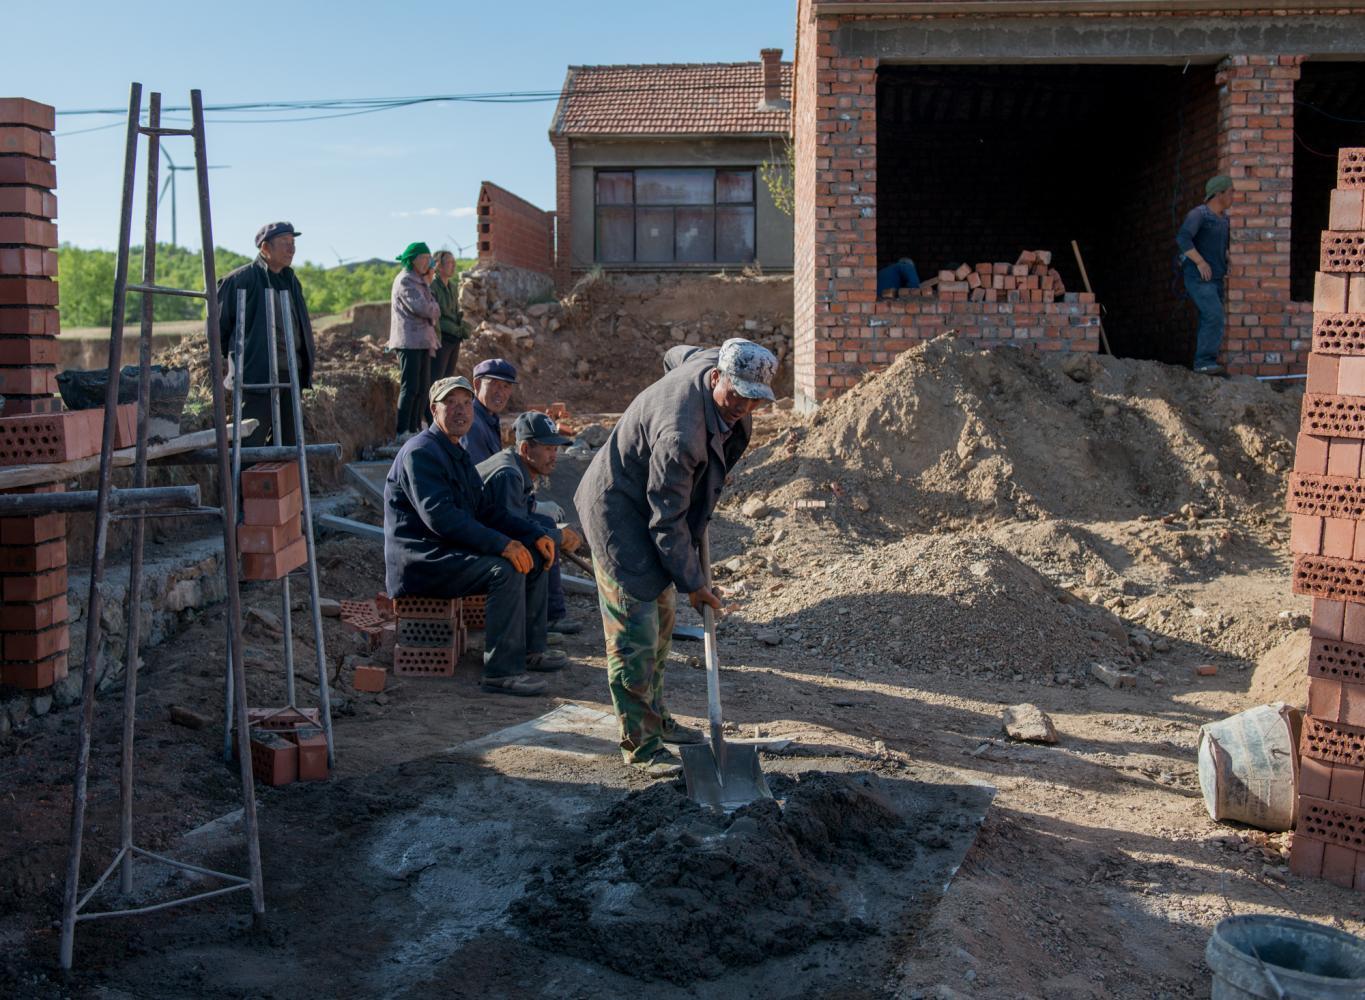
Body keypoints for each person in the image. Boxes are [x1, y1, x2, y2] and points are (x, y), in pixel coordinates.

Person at [574, 338, 777, 777]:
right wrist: (695, 584)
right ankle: (641, 745)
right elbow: (667, 523)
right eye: (737, 394)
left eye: (754, 399)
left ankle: (656, 717)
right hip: (619, 515)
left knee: (663, 618)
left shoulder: (707, 361)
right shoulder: (680, 435)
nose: (744, 406)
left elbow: (674, 355)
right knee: (636, 633)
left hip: (653, 505)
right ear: (717, 377)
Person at [384, 375, 561, 696]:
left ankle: (530, 651)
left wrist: (532, 534)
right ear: (434, 410)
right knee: (505, 569)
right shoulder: (421, 453)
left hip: (448, 551)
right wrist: (502, 545)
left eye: (466, 403)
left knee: (534, 556)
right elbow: (442, 519)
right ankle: (501, 672)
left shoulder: (455, 451)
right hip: (423, 561)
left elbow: (485, 510)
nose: (461, 411)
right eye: (451, 403)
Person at [477, 411, 585, 671]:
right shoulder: (507, 474)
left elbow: (521, 518)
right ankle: (530, 650)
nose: (554, 455)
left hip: (487, 536)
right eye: (548, 448)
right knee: (535, 556)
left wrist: (552, 534)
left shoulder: (516, 467)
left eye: (555, 449)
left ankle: (541, 631)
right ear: (526, 449)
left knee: (544, 530)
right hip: (473, 544)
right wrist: (556, 537)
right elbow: (513, 529)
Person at [218, 222, 315, 447]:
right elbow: (218, 329)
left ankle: (281, 473)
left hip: (290, 373)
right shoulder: (240, 280)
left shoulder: (291, 280)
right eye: (284, 243)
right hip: (256, 377)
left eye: (293, 243)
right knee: (251, 441)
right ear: (265, 248)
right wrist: (241, 360)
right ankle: (245, 473)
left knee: (290, 442)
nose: (291, 249)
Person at [1177, 174, 1235, 376]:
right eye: (1230, 192)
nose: (1233, 196)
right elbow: (1183, 239)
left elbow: (1219, 246)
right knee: (1214, 315)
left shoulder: (1224, 220)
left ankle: (1206, 364)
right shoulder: (1199, 215)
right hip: (1198, 278)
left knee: (1211, 317)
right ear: (1219, 194)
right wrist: (1200, 262)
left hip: (1216, 279)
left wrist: (1227, 258)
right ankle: (1204, 362)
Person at [388, 242, 441, 439]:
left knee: (422, 387)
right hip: (409, 340)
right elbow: (423, 308)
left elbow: (433, 306)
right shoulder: (405, 280)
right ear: (413, 260)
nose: (428, 262)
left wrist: (433, 307)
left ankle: (415, 427)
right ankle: (403, 430)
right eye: (424, 258)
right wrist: (433, 308)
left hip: (423, 341)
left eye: (429, 258)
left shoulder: (419, 280)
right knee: (410, 387)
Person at [460, 357, 516, 464]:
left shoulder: (490, 418)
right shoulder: (471, 424)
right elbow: (479, 471)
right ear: (477, 384)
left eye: (506, 386)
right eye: (494, 384)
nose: (500, 392)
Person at [430, 250, 467, 384]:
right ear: (438, 265)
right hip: (441, 338)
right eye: (449, 262)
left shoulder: (452, 287)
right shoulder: (432, 285)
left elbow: (456, 312)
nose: (453, 265)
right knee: (436, 379)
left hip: (454, 338)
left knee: (448, 379)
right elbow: (434, 316)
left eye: (454, 262)